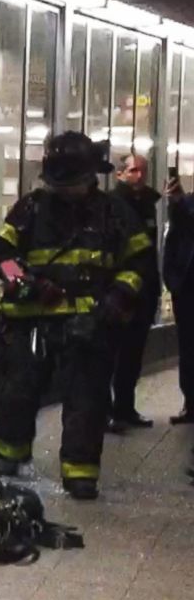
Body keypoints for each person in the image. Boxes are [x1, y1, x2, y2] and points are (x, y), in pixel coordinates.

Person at [0, 132, 153, 500]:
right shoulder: (30, 209)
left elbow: (139, 261)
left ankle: (80, 474)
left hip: (90, 323)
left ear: (92, 176)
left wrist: (118, 299)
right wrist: (28, 284)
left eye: (73, 183)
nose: (66, 191)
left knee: (88, 398)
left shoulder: (115, 213)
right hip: (29, 321)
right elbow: (2, 254)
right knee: (18, 391)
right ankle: (10, 462)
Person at [108, 154, 161, 428]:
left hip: (143, 293)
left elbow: (149, 256)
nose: (139, 176)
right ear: (120, 174)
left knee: (132, 357)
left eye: (142, 171)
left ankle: (125, 408)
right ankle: (109, 412)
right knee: (113, 356)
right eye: (133, 170)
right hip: (120, 294)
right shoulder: (114, 206)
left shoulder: (147, 204)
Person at [163, 173, 194, 423]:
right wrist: (173, 282)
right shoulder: (184, 204)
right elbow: (173, 241)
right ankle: (191, 402)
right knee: (188, 347)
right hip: (188, 290)